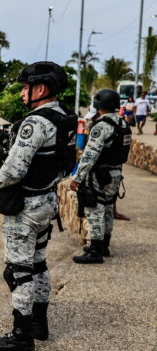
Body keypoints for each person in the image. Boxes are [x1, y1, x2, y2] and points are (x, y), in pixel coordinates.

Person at [0, 61, 77, 351]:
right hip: (47, 200)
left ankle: (22, 335)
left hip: (25, 208)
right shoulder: (64, 119)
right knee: (39, 263)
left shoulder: (34, 123)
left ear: (40, 89)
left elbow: (14, 169)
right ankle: (39, 324)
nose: (21, 93)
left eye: (25, 87)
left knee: (18, 270)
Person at [70, 89, 131, 263]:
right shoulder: (123, 124)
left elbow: (89, 156)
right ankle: (104, 246)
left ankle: (95, 252)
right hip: (115, 174)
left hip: (99, 175)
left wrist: (77, 178)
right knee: (107, 208)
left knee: (94, 208)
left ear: (99, 105)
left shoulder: (101, 126)